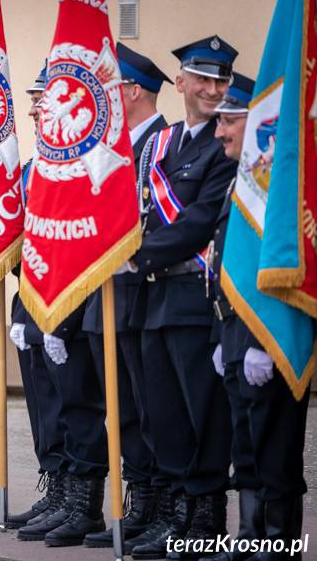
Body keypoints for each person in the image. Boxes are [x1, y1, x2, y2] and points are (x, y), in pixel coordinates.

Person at [126, 36, 239, 560]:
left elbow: (198, 223)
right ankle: (177, 513)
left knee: (203, 416)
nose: (215, 89)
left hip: (194, 297)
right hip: (156, 299)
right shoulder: (162, 143)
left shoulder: (225, 145)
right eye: (205, 79)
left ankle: (207, 519)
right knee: (163, 415)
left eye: (222, 80)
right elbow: (140, 209)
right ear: (182, 83)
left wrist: (135, 255)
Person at [205, 73, 309, 561]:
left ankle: (280, 541)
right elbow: (226, 264)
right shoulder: (240, 186)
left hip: (268, 334)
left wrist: (268, 341)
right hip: (234, 329)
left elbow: (282, 265)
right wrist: (221, 331)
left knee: (275, 446)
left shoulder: (275, 190)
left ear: (260, 121)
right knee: (245, 443)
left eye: (229, 120)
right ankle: (250, 534)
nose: (220, 131)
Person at [81, 42, 172, 549]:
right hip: (105, 299)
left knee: (153, 407)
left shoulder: (162, 142)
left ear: (132, 91)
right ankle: (140, 504)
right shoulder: (111, 150)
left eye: (109, 86)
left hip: (147, 298)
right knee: (124, 412)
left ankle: (163, 504)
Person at [7, 64, 68, 532]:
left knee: (73, 407)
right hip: (28, 303)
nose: (30, 109)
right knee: (42, 406)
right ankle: (55, 489)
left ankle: (77, 497)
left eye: (41, 99)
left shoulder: (70, 170)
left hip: (67, 309)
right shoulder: (31, 169)